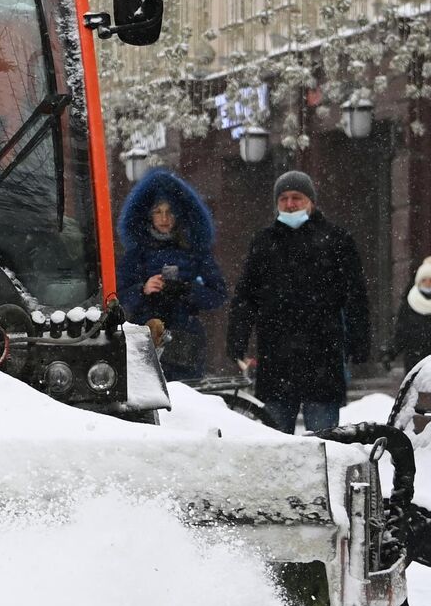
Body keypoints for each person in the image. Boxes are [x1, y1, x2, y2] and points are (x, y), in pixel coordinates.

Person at [227, 170, 372, 434]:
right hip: (276, 357)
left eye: (297, 197)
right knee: (276, 444)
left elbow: (355, 296)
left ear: (311, 201)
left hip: (322, 356)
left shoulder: (337, 240)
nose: (290, 204)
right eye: (283, 198)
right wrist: (237, 339)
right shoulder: (264, 243)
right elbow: (246, 296)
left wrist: (358, 341)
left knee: (324, 443)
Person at [115, 168, 228, 382]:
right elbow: (117, 296)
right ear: (148, 215)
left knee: (186, 402)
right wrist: (144, 289)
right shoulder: (136, 254)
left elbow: (219, 294)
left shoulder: (195, 252)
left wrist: (188, 290)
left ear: (180, 215)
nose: (164, 218)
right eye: (158, 211)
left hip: (186, 341)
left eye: (170, 211)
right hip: (144, 337)